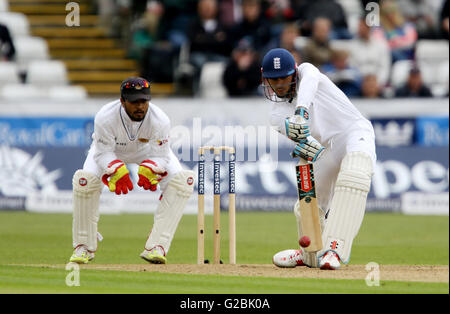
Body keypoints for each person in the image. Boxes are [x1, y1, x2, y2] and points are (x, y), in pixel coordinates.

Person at [261, 48, 376, 270]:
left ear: (294, 73)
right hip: (325, 148)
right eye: (274, 80)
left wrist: (301, 112)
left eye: (284, 77)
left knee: (354, 174)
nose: (280, 84)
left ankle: (334, 248)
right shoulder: (275, 116)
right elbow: (309, 145)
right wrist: (302, 142)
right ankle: (309, 254)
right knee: (308, 200)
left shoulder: (307, 71)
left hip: (354, 131)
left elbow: (311, 79)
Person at [69, 77, 195, 264]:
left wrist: (152, 168)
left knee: (182, 183)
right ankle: (84, 246)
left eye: (143, 101)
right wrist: (115, 169)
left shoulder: (160, 119)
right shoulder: (105, 116)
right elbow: (102, 152)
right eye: (134, 101)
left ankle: (157, 246)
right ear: (122, 101)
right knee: (85, 182)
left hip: (148, 153)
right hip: (110, 152)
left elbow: (161, 155)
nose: (140, 106)